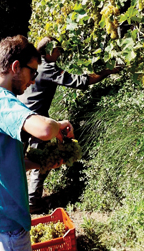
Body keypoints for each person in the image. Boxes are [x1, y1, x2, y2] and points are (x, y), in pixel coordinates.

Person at [0, 35, 74, 251]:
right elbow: (43, 129)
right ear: (16, 67)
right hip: (4, 228)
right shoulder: (0, 99)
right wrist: (59, 124)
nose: (33, 80)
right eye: (32, 72)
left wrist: (39, 163)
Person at [18, 36, 121, 214]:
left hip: (19, 118)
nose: (60, 52)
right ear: (49, 50)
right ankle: (33, 202)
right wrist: (107, 72)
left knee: (16, 160)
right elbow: (81, 82)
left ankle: (17, 200)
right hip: (36, 122)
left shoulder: (32, 67)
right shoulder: (48, 68)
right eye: (57, 49)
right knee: (39, 160)